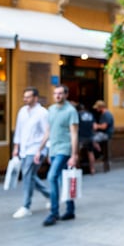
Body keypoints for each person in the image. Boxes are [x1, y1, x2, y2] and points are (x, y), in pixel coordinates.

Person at [35, 84, 79, 227]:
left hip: (64, 149)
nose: (57, 96)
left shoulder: (71, 111)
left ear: (66, 95)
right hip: (53, 150)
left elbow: (74, 134)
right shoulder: (51, 110)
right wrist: (41, 150)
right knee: (61, 181)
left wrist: (74, 155)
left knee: (51, 176)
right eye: (55, 93)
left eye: (60, 93)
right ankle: (70, 210)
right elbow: (48, 132)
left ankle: (53, 213)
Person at [12, 87, 50, 219]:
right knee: (30, 176)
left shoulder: (42, 113)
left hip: (36, 149)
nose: (25, 99)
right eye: (24, 97)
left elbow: (47, 132)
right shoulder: (22, 111)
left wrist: (40, 150)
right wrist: (16, 147)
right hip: (24, 149)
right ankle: (51, 195)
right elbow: (19, 130)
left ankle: (26, 206)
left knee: (28, 176)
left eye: (28, 97)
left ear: (35, 98)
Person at [77, 103, 96, 174]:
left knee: (77, 153)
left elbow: (76, 126)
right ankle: (92, 169)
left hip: (81, 137)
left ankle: (77, 168)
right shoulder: (90, 114)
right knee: (90, 153)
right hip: (90, 137)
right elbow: (94, 127)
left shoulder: (77, 114)